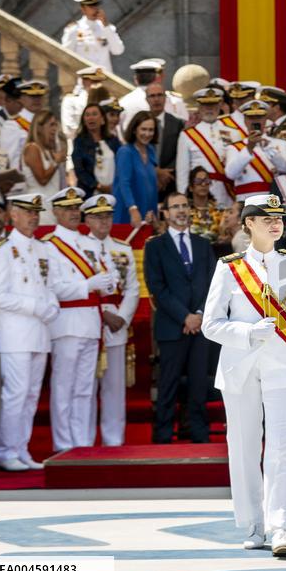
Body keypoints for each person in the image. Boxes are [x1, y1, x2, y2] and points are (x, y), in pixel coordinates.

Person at [202, 194, 286, 556]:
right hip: (240, 366)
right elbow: (211, 324)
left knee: (283, 447)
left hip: (284, 363)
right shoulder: (229, 267)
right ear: (248, 223)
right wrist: (248, 333)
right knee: (244, 447)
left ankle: (279, 525)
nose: (275, 224)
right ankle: (253, 522)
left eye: (279, 218)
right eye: (265, 218)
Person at [0, 193, 60, 470]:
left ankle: (21, 449)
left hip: (40, 333)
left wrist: (51, 307)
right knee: (15, 394)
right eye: (27, 212)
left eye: (36, 212)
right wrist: (36, 307)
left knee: (30, 396)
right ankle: (6, 452)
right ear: (13, 215)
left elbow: (49, 286)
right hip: (15, 335)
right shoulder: (2, 251)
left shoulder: (42, 249)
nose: (33, 217)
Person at [44, 187, 115, 452]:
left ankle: (83, 442)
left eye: (76, 208)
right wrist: (87, 285)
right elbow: (52, 287)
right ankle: (63, 445)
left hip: (90, 324)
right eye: (68, 209)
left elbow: (104, 280)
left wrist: (107, 282)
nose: (74, 213)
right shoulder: (49, 245)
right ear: (56, 212)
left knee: (86, 388)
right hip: (66, 322)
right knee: (63, 388)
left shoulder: (89, 243)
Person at [143, 191, 217, 443]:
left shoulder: (203, 244)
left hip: (199, 327)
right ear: (165, 212)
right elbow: (157, 287)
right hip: (171, 326)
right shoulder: (154, 246)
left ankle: (199, 434)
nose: (181, 210)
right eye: (175, 207)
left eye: (185, 205)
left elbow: (212, 284)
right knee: (168, 385)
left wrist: (197, 314)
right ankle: (162, 436)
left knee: (198, 385)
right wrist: (184, 316)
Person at [81, 194, 138, 447]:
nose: (104, 221)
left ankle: (113, 441)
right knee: (85, 387)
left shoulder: (123, 248)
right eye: (97, 217)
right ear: (88, 219)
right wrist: (101, 314)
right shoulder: (79, 246)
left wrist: (122, 318)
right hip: (88, 321)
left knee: (114, 388)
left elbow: (133, 289)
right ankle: (82, 441)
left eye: (107, 216)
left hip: (116, 323)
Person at [176, 87, 234, 208]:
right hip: (200, 193)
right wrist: (183, 198)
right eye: (205, 105)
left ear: (219, 106)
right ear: (199, 107)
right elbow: (182, 172)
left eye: (213, 105)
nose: (209, 109)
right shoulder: (187, 135)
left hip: (227, 192)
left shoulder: (233, 133)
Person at [21, 110, 67, 225]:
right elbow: (42, 179)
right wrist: (56, 162)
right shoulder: (32, 148)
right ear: (40, 128)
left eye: (56, 124)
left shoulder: (50, 151)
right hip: (39, 207)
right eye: (51, 125)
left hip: (52, 205)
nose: (55, 128)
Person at [61, 0, 124, 73]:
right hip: (86, 79)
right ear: (83, 9)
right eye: (91, 7)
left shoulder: (107, 28)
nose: (95, 9)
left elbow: (118, 50)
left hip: (105, 79)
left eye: (96, 6)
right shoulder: (74, 29)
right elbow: (66, 55)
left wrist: (106, 26)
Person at [114, 110, 159, 227]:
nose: (147, 134)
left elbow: (151, 185)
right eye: (143, 129)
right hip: (128, 213)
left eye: (151, 130)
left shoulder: (151, 150)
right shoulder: (125, 152)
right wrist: (132, 209)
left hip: (147, 214)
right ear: (134, 130)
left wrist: (153, 212)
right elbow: (124, 183)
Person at [71, 103, 121, 198]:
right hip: (90, 195)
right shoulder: (79, 142)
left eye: (94, 114)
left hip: (114, 192)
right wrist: (98, 186)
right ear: (84, 121)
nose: (90, 118)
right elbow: (80, 170)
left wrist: (116, 185)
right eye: (87, 115)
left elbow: (122, 164)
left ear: (102, 119)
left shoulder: (113, 140)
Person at [145, 83, 184, 197]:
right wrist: (155, 172)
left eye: (159, 95)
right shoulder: (140, 122)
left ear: (165, 98)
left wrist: (164, 175)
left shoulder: (177, 123)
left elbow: (180, 153)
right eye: (152, 96)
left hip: (169, 182)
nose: (156, 99)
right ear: (146, 99)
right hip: (145, 180)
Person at [186, 166, 226, 245]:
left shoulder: (220, 209)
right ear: (190, 187)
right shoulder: (184, 210)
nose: (203, 184)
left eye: (206, 180)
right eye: (198, 181)